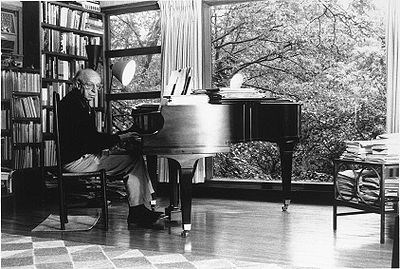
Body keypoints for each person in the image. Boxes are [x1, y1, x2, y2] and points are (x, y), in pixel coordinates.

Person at [58, 68, 164, 229]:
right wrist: (119, 138)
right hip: (76, 160)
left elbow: (89, 138)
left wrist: (119, 138)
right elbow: (90, 141)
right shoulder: (73, 107)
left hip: (83, 155)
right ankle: (138, 212)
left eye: (98, 87)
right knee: (133, 161)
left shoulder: (78, 103)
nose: (95, 91)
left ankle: (143, 207)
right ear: (77, 84)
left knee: (129, 156)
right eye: (90, 86)